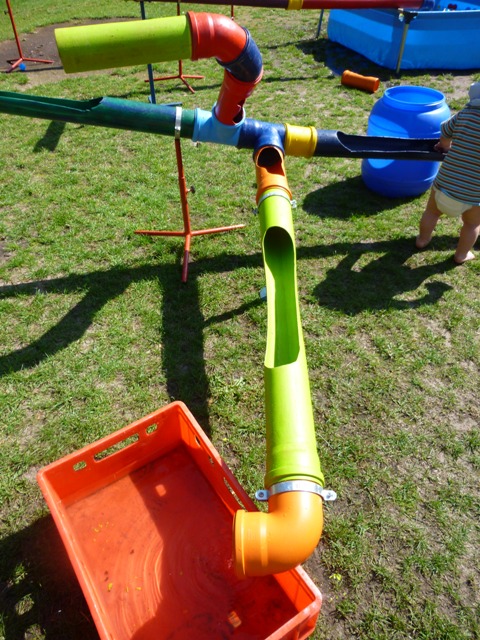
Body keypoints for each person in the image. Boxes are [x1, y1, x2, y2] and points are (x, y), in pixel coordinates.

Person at [416, 81, 480, 264]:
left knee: (431, 212)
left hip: (445, 184)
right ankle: (461, 255)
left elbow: (445, 130)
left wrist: (445, 145)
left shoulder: (465, 115)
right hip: (474, 193)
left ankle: (422, 240)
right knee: (472, 224)